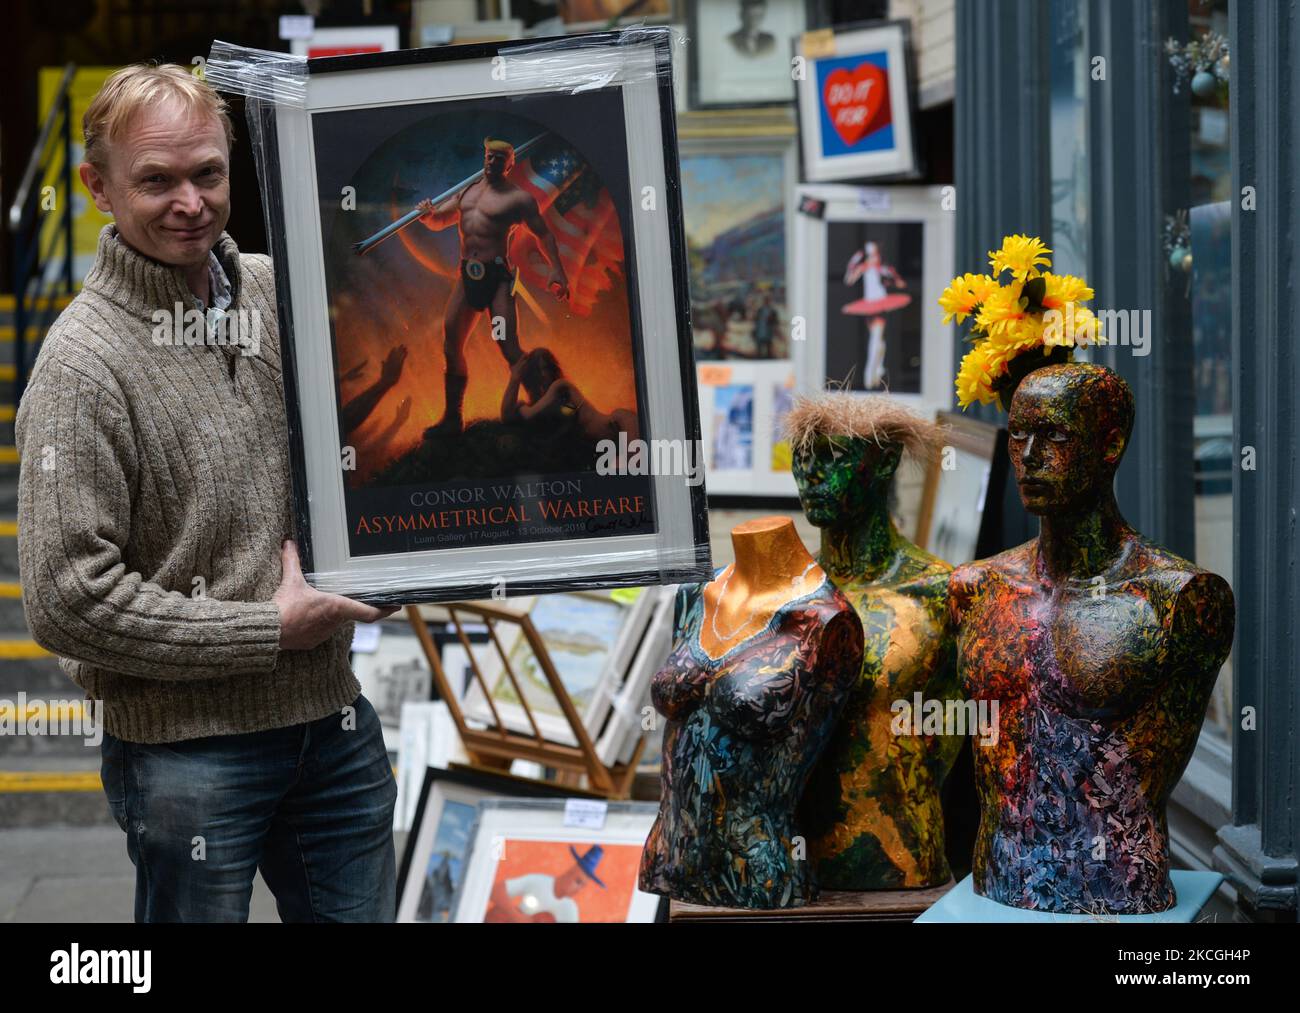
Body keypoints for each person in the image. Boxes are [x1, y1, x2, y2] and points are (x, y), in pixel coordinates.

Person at [15, 64, 399, 923]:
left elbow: (357, 451)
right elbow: (66, 599)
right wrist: (267, 629)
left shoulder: (279, 289)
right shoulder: (80, 368)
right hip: (186, 759)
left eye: (208, 173)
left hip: (333, 727)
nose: (190, 200)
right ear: (98, 188)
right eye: (156, 179)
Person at [415, 137, 570, 437]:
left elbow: (544, 235)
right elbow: (439, 221)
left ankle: (543, 407)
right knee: (452, 342)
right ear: (483, 157)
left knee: (508, 347)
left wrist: (557, 270)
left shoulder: (518, 199)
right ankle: (451, 419)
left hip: (497, 279)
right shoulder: (466, 192)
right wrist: (427, 215)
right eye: (489, 156)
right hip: (468, 277)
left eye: (500, 158)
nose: (492, 162)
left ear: (510, 164)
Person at [501, 347, 640, 444]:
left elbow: (530, 414)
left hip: (618, 424)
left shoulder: (561, 386)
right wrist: (515, 379)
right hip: (606, 439)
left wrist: (522, 408)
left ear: (553, 369)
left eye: (546, 368)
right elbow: (507, 416)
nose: (543, 374)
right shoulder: (552, 405)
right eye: (538, 370)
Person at [485, 846, 606, 923]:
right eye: (578, 881)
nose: (579, 889)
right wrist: (517, 917)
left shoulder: (570, 909)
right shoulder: (538, 881)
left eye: (582, 886)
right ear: (569, 873)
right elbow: (495, 891)